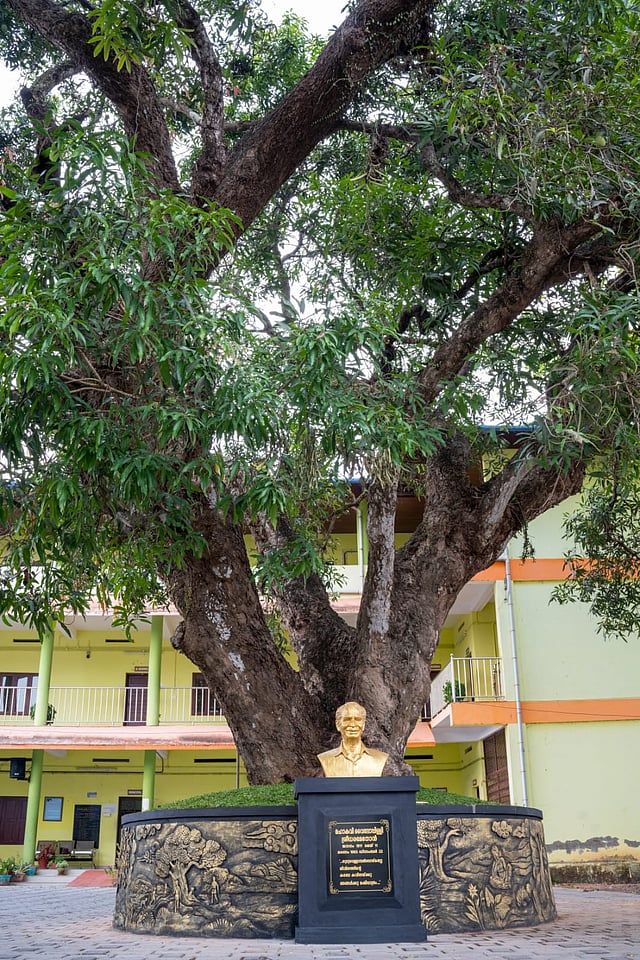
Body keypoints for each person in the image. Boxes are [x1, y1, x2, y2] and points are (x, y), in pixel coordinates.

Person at [317, 701, 388, 777]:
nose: (353, 724)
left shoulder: (381, 758)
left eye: (358, 719)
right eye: (347, 719)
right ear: (338, 725)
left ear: (363, 725)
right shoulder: (325, 759)